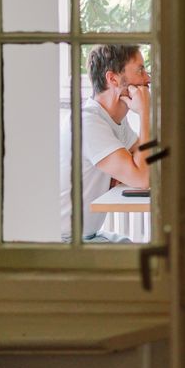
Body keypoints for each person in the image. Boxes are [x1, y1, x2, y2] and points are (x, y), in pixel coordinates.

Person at [59, 44, 152, 242]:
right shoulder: (87, 123)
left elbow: (150, 164)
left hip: (87, 236)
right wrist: (145, 114)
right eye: (140, 70)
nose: (147, 78)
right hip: (66, 241)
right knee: (148, 256)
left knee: (142, 251)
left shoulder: (115, 120)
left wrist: (134, 169)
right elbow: (143, 177)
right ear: (113, 79)